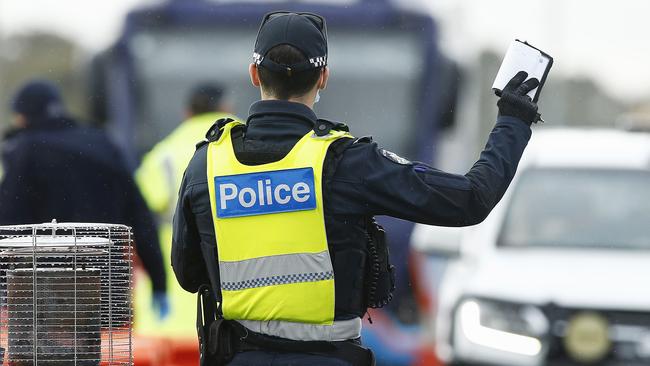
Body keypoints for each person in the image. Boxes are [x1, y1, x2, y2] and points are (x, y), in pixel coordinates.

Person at [172, 11, 542, 366]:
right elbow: (469, 200)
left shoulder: (207, 165)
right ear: (323, 78)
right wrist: (514, 118)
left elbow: (189, 275)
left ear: (254, 74)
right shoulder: (348, 162)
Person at [0, 79, 169, 319]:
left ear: (23, 116)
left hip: (47, 294)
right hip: (108, 289)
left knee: (50, 356)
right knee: (111, 354)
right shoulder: (102, 142)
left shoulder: (25, 150)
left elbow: (8, 224)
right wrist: (159, 281)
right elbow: (140, 216)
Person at [133, 83, 238, 336]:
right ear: (225, 108)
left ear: (187, 113)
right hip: (238, 295)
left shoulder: (162, 155)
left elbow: (134, 216)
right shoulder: (249, 145)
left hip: (174, 295)